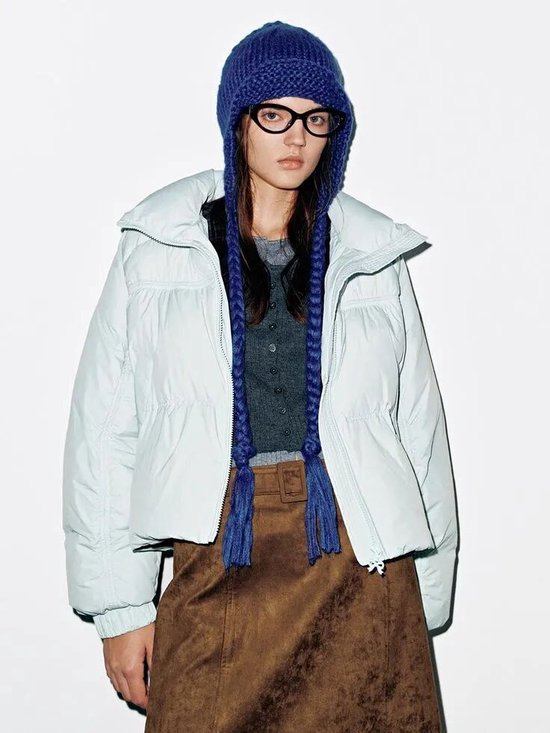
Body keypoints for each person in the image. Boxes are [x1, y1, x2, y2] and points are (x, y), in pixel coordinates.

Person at [62, 19, 458, 732]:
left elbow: (418, 427)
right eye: (274, 114)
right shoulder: (161, 248)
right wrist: (120, 606)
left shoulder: (371, 255)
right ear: (237, 122)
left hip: (359, 563)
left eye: (315, 118)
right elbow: (107, 431)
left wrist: (425, 590)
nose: (296, 136)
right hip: (221, 548)